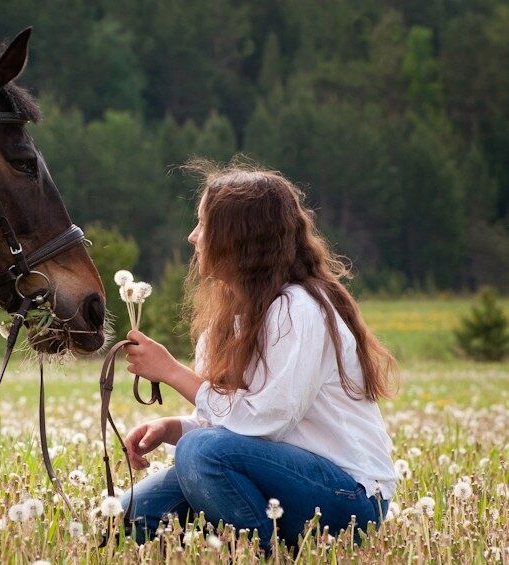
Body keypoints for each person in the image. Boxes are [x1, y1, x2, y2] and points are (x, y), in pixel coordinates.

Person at [119, 159, 397, 550]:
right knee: (131, 516)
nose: (192, 237)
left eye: (203, 225)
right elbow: (229, 426)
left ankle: (260, 552)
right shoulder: (228, 320)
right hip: (277, 475)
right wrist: (172, 428)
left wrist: (170, 372)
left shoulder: (299, 308)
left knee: (200, 452)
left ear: (238, 237)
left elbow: (266, 421)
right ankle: (248, 530)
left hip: (349, 497)